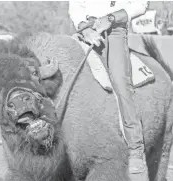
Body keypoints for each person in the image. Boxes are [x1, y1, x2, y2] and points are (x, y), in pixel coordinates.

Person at [69, 0, 149, 178]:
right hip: (86, 30)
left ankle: (135, 149)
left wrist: (112, 17)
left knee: (121, 83)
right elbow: (75, 5)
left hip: (115, 32)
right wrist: (84, 28)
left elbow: (141, 5)